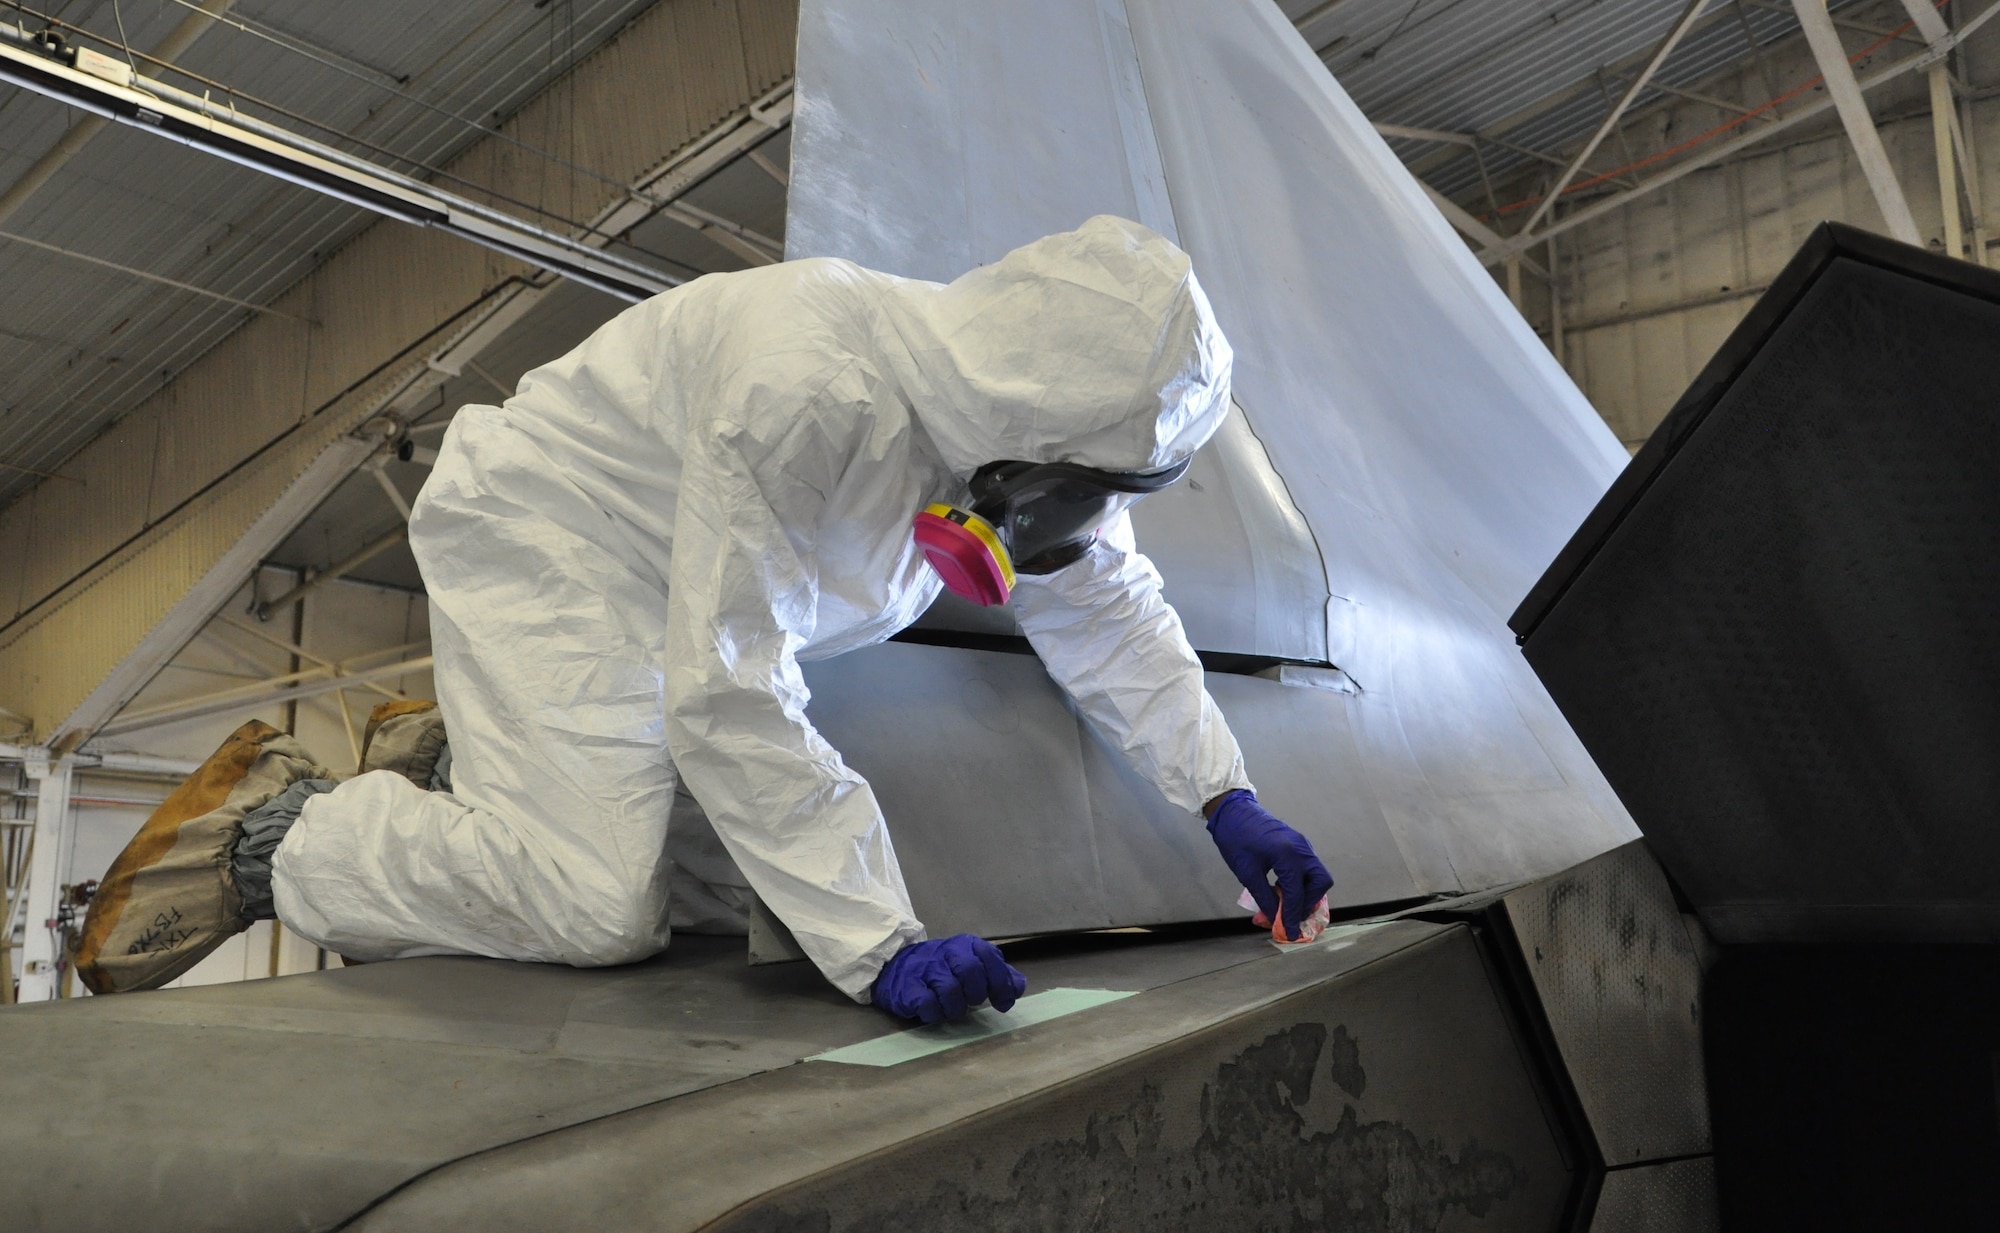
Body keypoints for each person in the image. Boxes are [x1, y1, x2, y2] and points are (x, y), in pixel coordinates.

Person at [77, 216, 1335, 1021]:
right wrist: (878, 945)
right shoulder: (814, 391)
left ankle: (464, 762)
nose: (1087, 527)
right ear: (1042, 438)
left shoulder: (1018, 430)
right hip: (554, 544)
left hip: (662, 591)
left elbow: (1106, 607)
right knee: (596, 910)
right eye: (1096, 495)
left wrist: (1222, 795)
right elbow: (727, 687)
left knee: (714, 895)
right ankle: (277, 838)